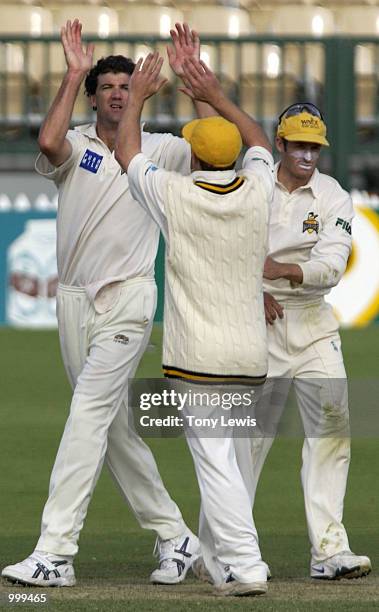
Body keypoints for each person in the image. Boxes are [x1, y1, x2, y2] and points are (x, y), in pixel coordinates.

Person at [1, 20, 209, 587]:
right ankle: (176, 537)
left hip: (130, 299)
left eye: (126, 85)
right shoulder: (78, 146)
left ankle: (55, 552)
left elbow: (219, 154)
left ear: (139, 93)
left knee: (87, 413)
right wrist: (72, 72)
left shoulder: (163, 151)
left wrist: (199, 87)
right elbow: (47, 143)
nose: (118, 92)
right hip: (73, 301)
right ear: (94, 97)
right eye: (108, 86)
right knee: (113, 429)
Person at [114, 52, 275, 597]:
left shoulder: (177, 195)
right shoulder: (258, 190)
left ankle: (248, 566)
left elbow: (128, 152)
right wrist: (216, 92)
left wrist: (137, 96)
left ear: (197, 161)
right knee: (226, 460)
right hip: (250, 356)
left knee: (216, 465)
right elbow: (261, 145)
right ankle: (218, 562)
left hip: (197, 360)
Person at [245, 102, 371, 580]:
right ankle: (231, 551)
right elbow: (228, 244)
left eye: (314, 147)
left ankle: (329, 552)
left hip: (313, 321)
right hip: (258, 322)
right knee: (250, 440)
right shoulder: (253, 183)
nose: (307, 155)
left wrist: (281, 270)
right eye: (298, 144)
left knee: (333, 429)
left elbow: (332, 267)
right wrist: (253, 289)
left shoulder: (334, 196)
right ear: (279, 144)